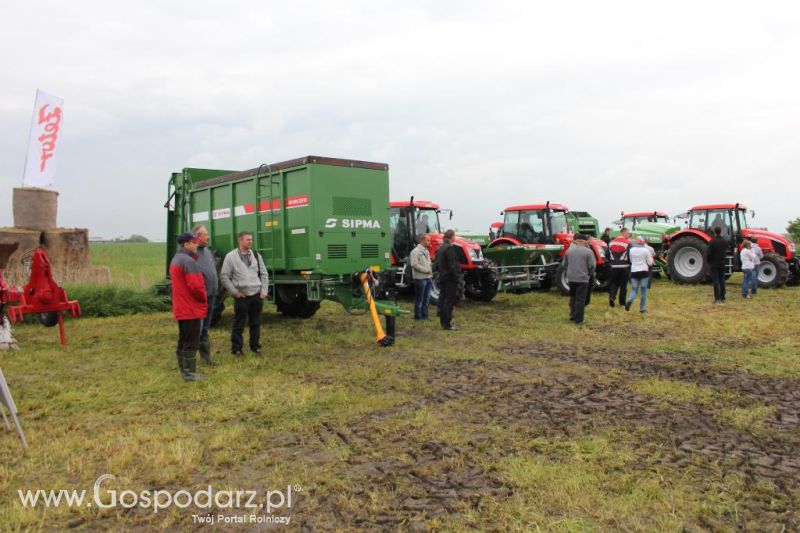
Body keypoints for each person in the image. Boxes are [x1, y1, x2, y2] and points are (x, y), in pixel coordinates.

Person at [220, 231, 269, 356]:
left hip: (256, 295)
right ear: (240, 241)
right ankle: (236, 349)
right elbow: (224, 277)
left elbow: (264, 273)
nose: (250, 241)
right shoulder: (231, 257)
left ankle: (255, 347)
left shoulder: (256, 255)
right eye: (248, 239)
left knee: (256, 323)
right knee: (239, 323)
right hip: (242, 296)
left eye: (251, 239)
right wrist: (235, 292)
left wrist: (264, 290)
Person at [169, 232, 207, 381]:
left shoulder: (177, 259)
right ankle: (189, 373)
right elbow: (197, 287)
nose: (197, 244)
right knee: (191, 341)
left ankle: (184, 370)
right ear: (186, 244)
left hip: (182, 307)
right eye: (194, 242)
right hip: (190, 308)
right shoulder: (188, 261)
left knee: (183, 339)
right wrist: (203, 299)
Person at [192, 225, 220, 366]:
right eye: (205, 234)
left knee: (205, 328)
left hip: (211, 295)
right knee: (197, 328)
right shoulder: (191, 253)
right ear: (197, 236)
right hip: (199, 297)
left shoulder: (208, 252)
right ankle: (189, 361)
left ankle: (206, 358)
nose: (208, 237)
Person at [563, 234, 596, 326]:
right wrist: (589, 274)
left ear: (576, 241)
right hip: (583, 278)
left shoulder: (569, 251)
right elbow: (592, 266)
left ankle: (572, 315)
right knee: (580, 299)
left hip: (571, 278)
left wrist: (568, 273)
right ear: (584, 241)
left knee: (573, 297)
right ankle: (579, 320)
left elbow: (564, 265)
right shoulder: (588, 252)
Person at [436, 229, 461, 330]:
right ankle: (447, 323)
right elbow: (452, 265)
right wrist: (456, 277)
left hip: (442, 277)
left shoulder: (441, 248)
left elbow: (438, 263)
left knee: (443, 299)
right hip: (450, 278)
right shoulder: (449, 249)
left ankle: (443, 321)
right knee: (449, 301)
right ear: (452, 237)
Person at [625, 237, 654, 313]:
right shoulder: (645, 250)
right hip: (644, 271)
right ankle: (642, 308)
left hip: (634, 271)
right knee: (643, 290)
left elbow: (631, 260)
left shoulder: (631, 250)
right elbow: (650, 263)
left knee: (634, 289)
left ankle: (630, 300)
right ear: (642, 242)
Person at [409, 233, 433, 320]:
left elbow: (429, 263)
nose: (429, 242)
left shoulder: (427, 251)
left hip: (428, 278)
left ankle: (425, 315)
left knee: (427, 298)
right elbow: (414, 264)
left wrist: (430, 272)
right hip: (420, 278)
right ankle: (418, 316)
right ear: (422, 240)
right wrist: (426, 270)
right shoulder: (415, 251)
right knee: (420, 298)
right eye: (428, 240)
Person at [607, 228, 631, 307]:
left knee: (614, 283)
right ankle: (622, 303)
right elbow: (630, 255)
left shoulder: (611, 243)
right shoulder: (627, 243)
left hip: (613, 266)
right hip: (624, 266)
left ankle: (612, 297)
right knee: (623, 285)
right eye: (628, 233)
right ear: (623, 232)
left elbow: (607, 255)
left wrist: (610, 262)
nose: (628, 235)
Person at [707, 226, 728, 303]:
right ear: (720, 232)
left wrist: (709, 261)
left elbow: (709, 254)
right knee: (722, 280)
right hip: (722, 263)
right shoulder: (724, 241)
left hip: (714, 263)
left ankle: (717, 298)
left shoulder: (712, 242)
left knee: (716, 281)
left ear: (715, 232)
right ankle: (723, 297)